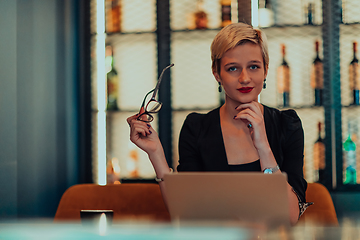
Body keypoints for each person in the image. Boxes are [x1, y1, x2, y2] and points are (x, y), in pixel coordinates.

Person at [127, 22, 310, 225]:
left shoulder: (288, 125)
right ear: (217, 73)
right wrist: (156, 154)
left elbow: (291, 216)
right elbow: (186, 214)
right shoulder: (196, 128)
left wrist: (263, 146)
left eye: (254, 67)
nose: (245, 78)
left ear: (266, 70)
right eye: (233, 68)